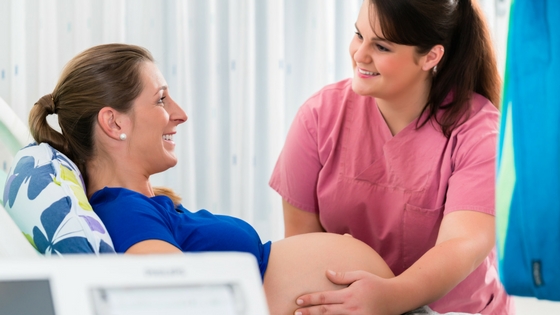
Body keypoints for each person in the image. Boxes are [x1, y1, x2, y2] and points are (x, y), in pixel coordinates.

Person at [27, 43, 405, 315]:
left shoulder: (143, 206)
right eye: (161, 100)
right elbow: (181, 302)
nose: (180, 114)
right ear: (114, 122)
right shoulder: (126, 214)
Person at [269, 0, 514, 314]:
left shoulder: (480, 133)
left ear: (430, 56)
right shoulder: (319, 117)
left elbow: (464, 245)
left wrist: (390, 297)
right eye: (359, 35)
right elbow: (302, 243)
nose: (360, 54)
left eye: (382, 47)